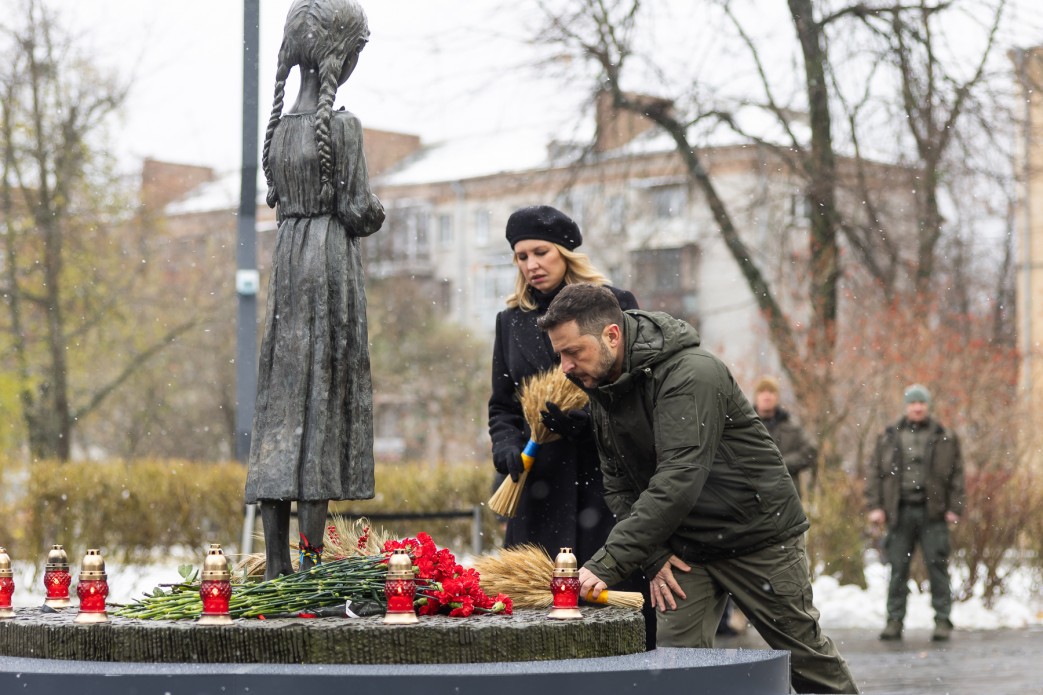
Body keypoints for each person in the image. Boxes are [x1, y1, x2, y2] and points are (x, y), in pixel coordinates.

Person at [539, 283, 858, 695]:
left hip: (757, 536)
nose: (564, 366)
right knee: (678, 670)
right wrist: (653, 555)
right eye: (559, 354)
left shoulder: (691, 373)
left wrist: (604, 566)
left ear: (611, 336)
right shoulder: (601, 385)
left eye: (572, 352)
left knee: (807, 661)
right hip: (685, 551)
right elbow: (618, 483)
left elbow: (680, 478)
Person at [244, 0, 385, 580]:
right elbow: (358, 210)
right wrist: (376, 211)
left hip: (287, 270)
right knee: (322, 407)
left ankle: (276, 562)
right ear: (340, 55)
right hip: (329, 272)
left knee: (282, 409)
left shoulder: (278, 132)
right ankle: (311, 566)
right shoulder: (342, 128)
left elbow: (280, 202)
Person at [487, 205, 654, 648]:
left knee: (612, 609)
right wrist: (508, 450)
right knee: (534, 616)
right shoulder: (510, 321)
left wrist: (591, 421)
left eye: (540, 252)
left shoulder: (615, 304)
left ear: (564, 251)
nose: (531, 265)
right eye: (521, 256)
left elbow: (638, 388)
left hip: (605, 483)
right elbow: (502, 406)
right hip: (537, 487)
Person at [865, 384, 965, 642]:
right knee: (898, 568)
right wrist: (875, 506)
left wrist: (955, 507)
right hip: (899, 512)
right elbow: (875, 473)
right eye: (913, 403)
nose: (917, 407)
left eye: (921, 402)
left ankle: (942, 620)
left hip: (934, 512)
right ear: (906, 406)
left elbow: (957, 475)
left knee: (937, 567)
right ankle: (894, 620)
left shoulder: (945, 436)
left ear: (928, 406)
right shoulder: (889, 436)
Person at [753, 376, 818, 499]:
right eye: (762, 391)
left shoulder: (792, 426)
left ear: (777, 397)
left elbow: (811, 451)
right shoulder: (745, 426)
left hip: (787, 497)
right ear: (756, 397)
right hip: (754, 497)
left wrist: (782, 464)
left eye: (771, 392)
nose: (767, 396)